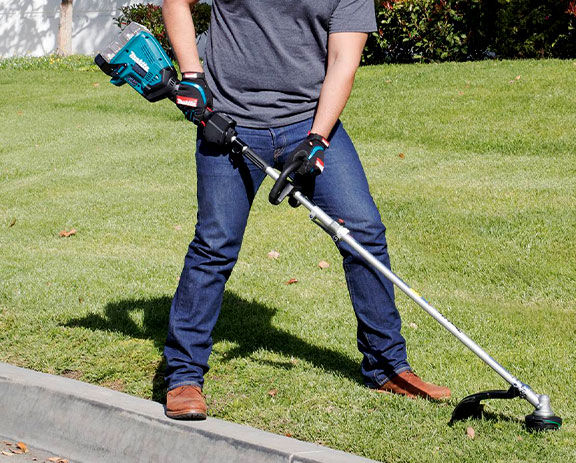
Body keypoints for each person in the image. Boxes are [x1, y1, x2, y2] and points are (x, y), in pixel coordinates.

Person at [161, 0, 450, 420]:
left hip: (308, 121)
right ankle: (184, 375)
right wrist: (192, 75)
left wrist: (317, 139)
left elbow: (342, 61)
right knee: (215, 242)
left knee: (363, 231)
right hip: (228, 116)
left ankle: (387, 367)